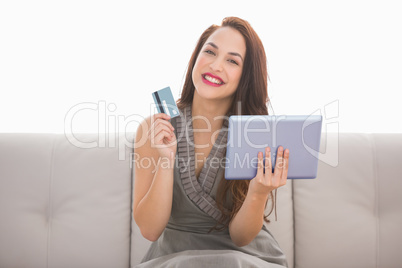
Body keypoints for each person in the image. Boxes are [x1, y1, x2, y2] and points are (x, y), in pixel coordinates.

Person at [133, 17, 290, 268]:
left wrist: (258, 192)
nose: (216, 65)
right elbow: (150, 230)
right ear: (195, 58)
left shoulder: (256, 132)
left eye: (232, 60)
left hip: (244, 258)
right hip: (172, 257)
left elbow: (241, 238)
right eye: (210, 52)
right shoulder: (155, 128)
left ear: (245, 75)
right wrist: (165, 160)